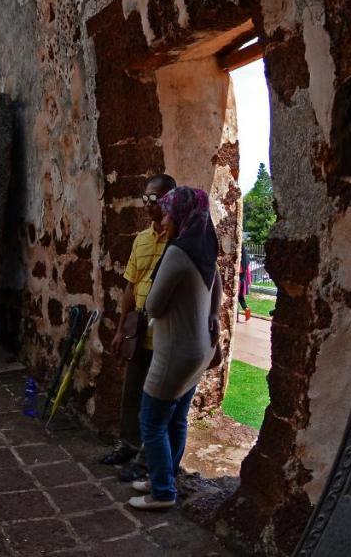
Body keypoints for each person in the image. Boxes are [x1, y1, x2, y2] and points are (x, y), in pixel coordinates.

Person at [130, 186, 223, 511]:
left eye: (169, 212)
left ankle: (162, 492)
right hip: (200, 350)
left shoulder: (178, 251)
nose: (164, 220)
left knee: (151, 420)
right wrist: (212, 314)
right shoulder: (205, 246)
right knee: (177, 418)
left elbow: (154, 306)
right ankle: (164, 476)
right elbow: (218, 287)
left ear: (181, 215)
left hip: (175, 351)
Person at [102, 174, 176, 471]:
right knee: (132, 390)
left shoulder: (178, 239)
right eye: (145, 199)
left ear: (169, 199)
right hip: (140, 330)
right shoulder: (141, 240)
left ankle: (150, 455)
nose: (148, 205)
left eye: (155, 199)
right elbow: (130, 287)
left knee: (158, 398)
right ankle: (128, 444)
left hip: (166, 333)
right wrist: (121, 328)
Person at [238, 247, 252, 322]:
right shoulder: (247, 258)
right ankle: (247, 310)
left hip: (238, 281)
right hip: (243, 281)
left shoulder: (239, 258)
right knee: (240, 298)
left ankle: (235, 316)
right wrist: (249, 281)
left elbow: (239, 270)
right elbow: (248, 271)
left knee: (236, 298)